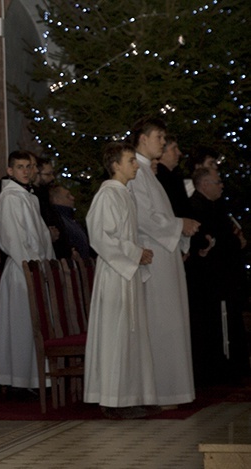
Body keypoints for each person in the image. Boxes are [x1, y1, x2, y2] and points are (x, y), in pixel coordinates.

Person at [127, 116, 200, 406]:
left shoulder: (148, 173)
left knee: (171, 319)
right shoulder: (136, 173)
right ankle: (159, 390)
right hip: (152, 258)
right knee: (160, 320)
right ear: (143, 139)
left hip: (164, 256)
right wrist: (178, 225)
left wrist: (180, 233)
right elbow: (144, 218)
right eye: (159, 137)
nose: (163, 142)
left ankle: (171, 388)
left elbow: (158, 215)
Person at [84, 142, 157, 418]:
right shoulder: (108, 195)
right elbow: (101, 237)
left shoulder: (125, 194)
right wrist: (136, 253)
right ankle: (112, 399)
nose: (136, 165)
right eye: (130, 160)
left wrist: (139, 253)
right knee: (116, 335)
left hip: (126, 272)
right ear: (115, 165)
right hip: (114, 274)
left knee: (130, 335)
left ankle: (131, 394)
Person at [0, 151, 55, 391]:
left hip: (35, 269)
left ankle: (35, 379)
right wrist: (34, 269)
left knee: (32, 327)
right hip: (22, 270)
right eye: (20, 167)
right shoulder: (10, 198)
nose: (26, 171)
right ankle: (19, 381)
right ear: (10, 171)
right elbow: (15, 239)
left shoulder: (28, 197)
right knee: (21, 328)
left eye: (29, 166)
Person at [186, 168, 249, 386]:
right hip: (210, 280)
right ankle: (219, 370)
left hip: (222, 277)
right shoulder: (197, 207)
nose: (222, 185)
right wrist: (234, 242)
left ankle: (230, 366)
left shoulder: (214, 207)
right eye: (217, 182)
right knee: (215, 325)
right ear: (204, 184)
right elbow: (212, 240)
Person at [49, 185, 91, 260]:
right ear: (56, 200)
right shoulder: (59, 221)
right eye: (68, 196)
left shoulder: (71, 220)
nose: (72, 198)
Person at [156, 135, 191, 217]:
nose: (179, 153)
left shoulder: (174, 176)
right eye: (174, 148)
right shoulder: (162, 178)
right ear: (162, 152)